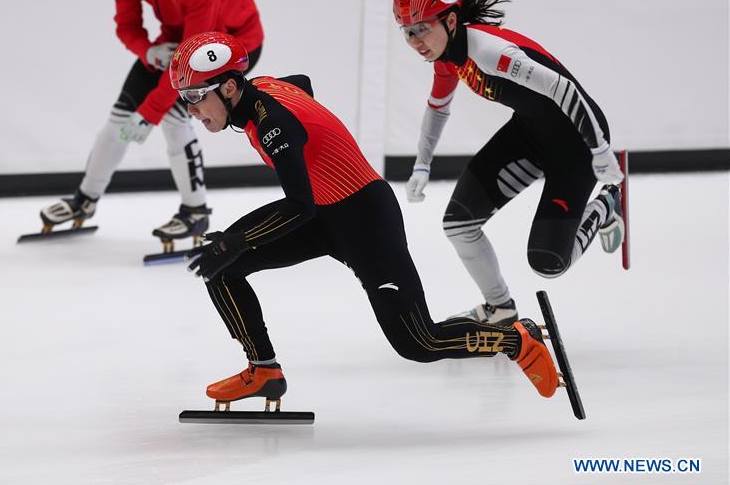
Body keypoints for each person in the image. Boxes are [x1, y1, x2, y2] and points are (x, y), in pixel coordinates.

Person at [169, 30, 561, 407]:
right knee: (223, 267)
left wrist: (237, 239)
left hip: (364, 219)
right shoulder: (263, 90)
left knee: (419, 342)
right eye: (185, 98)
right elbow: (301, 83)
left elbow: (297, 205)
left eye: (195, 96)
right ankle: (264, 371)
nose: (191, 110)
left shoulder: (274, 124)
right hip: (324, 214)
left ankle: (517, 340)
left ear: (230, 87)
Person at [394, 0, 625, 326]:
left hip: (577, 144)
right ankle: (500, 309)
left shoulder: (491, 52)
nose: (415, 41)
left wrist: (599, 148)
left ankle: (608, 204)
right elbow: (437, 107)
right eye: (407, 32)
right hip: (531, 134)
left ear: (451, 21)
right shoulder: (447, 56)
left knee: (549, 263)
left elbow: (562, 88)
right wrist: (422, 165)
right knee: (459, 225)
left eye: (422, 28)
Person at [40, 0, 263, 246]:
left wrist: (149, 113)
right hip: (176, 43)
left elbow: (194, 56)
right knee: (117, 123)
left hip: (225, 47)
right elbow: (126, 26)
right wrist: (147, 50)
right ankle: (85, 199)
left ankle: (195, 211)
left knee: (174, 120)